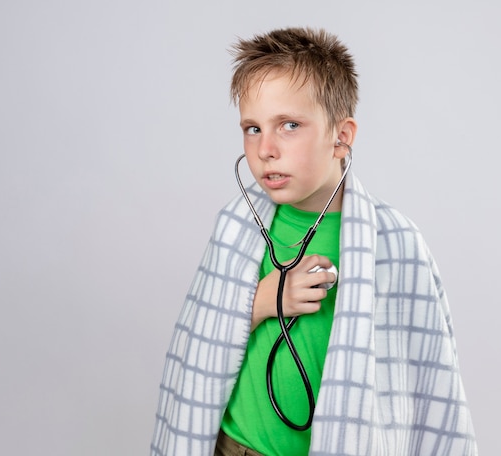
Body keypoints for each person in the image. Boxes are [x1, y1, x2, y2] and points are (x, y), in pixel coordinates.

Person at [151, 27, 477, 456]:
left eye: (289, 125)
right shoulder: (237, 226)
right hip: (236, 447)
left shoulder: (394, 242)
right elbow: (200, 341)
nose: (266, 149)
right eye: (252, 128)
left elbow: (425, 374)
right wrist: (266, 300)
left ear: (341, 137)